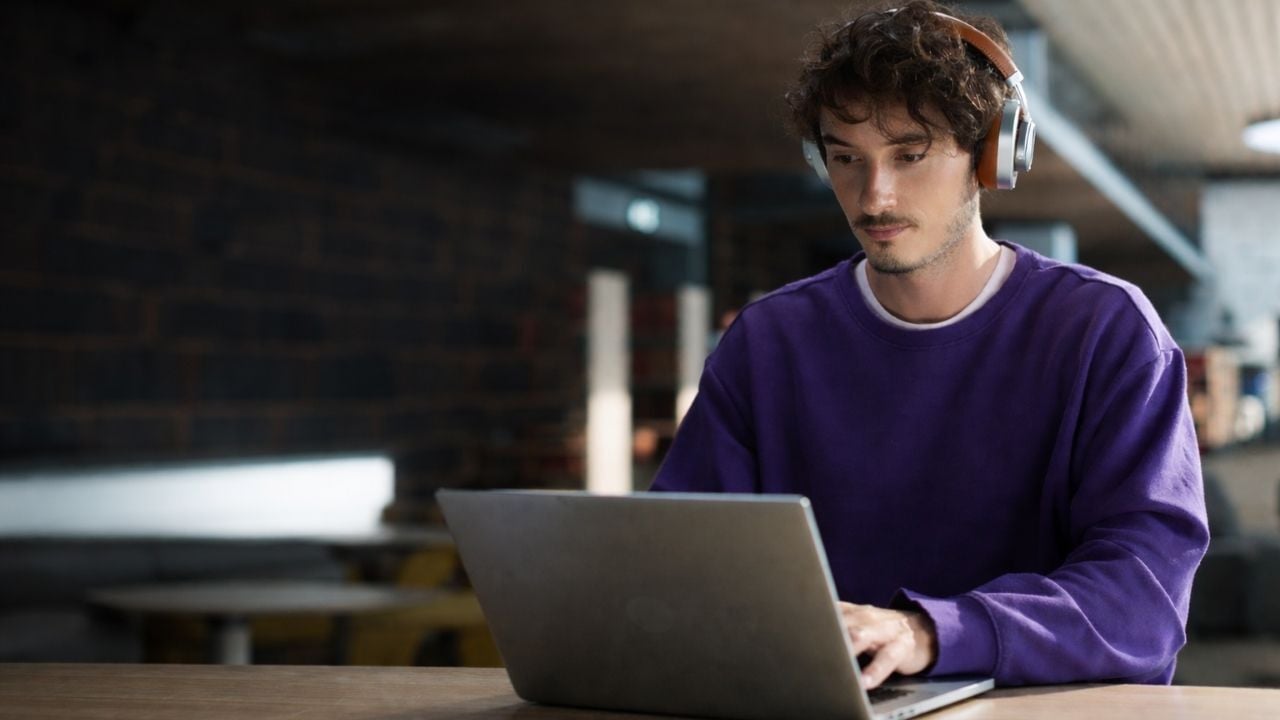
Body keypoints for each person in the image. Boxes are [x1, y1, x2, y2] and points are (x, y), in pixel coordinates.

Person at [651, 0, 1209, 691]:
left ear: (991, 155)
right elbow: (683, 565)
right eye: (845, 158)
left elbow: (1142, 602)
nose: (874, 196)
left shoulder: (1106, 330)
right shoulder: (769, 343)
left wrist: (929, 634)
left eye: (910, 154)